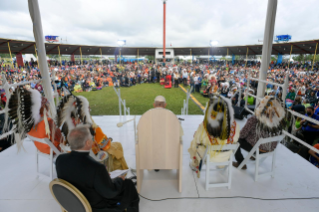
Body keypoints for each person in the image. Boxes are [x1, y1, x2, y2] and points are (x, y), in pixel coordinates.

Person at [56, 126, 139, 212]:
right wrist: (119, 180)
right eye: (91, 138)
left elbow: (79, 175)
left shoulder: (60, 159)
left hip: (74, 203)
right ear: (88, 143)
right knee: (128, 185)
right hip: (96, 208)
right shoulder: (96, 167)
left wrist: (104, 178)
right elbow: (110, 193)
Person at [188, 94, 240, 177]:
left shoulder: (205, 126)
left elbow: (198, 141)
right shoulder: (235, 125)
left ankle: (195, 164)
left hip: (210, 157)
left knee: (195, 142)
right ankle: (221, 165)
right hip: (226, 157)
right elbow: (235, 139)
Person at [233, 96, 286, 169]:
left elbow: (242, 135)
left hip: (257, 149)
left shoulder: (254, 119)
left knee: (235, 140)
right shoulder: (277, 122)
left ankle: (240, 162)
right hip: (270, 149)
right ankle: (253, 156)